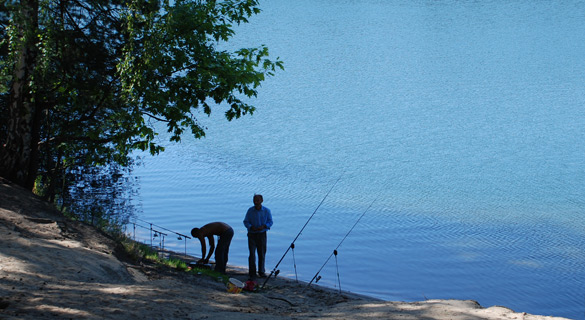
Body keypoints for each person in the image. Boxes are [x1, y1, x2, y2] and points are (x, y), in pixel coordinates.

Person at [243, 194, 273, 280]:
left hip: (262, 234)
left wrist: (264, 226)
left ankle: (261, 271)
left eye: (257, 200)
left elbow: (270, 222)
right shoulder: (250, 211)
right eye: (254, 200)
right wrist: (250, 227)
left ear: (261, 200)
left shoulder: (266, 211)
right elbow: (246, 221)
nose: (256, 202)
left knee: (262, 253)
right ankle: (252, 272)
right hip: (252, 234)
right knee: (252, 254)